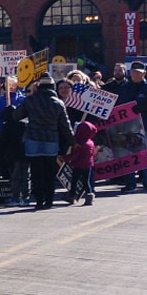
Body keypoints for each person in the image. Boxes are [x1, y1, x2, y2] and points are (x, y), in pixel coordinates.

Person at [15, 75, 74, 210]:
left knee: (36, 171)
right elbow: (65, 125)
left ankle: (39, 199)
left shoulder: (30, 100)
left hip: (33, 138)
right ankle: (49, 199)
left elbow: (17, 116)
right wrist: (72, 141)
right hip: (51, 139)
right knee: (49, 171)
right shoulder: (58, 103)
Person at [113, 61, 147, 192]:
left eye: (138, 73)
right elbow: (118, 105)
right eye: (133, 72)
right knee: (128, 154)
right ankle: (130, 184)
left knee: (146, 155)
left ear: (144, 73)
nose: (135, 75)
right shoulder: (125, 87)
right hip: (128, 127)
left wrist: (143, 109)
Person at [65, 118, 97, 206]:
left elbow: (75, 155)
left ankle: (72, 196)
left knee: (74, 181)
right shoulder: (91, 142)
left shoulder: (79, 143)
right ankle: (89, 196)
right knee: (86, 181)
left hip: (78, 165)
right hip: (88, 165)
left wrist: (67, 159)